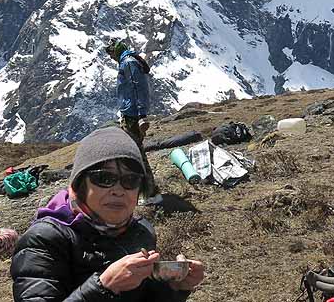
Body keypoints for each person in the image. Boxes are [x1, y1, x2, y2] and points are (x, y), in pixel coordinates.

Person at [11, 127, 205, 301]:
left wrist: (175, 288)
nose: (118, 190)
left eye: (130, 180)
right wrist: (105, 286)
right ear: (79, 185)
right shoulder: (44, 241)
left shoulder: (141, 231)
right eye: (104, 178)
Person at [105, 38, 161, 204]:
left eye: (110, 53)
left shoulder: (128, 63)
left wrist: (141, 115)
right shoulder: (129, 61)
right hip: (129, 112)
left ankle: (151, 193)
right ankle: (145, 191)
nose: (110, 57)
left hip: (132, 115)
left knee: (136, 154)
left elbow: (138, 88)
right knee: (135, 152)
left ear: (116, 50)